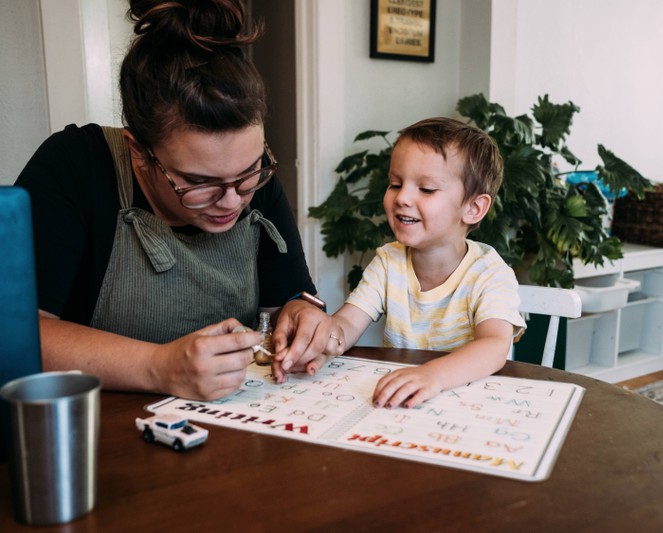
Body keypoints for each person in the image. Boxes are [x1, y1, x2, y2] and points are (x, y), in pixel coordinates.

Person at [15, 0, 343, 401]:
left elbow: (288, 300)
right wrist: (159, 366)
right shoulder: (75, 166)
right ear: (139, 151)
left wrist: (303, 315)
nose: (231, 201)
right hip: (99, 432)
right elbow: (18, 334)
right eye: (198, 182)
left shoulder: (251, 184)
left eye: (248, 172)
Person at [273, 117, 526, 409]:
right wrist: (321, 344)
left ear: (473, 208)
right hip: (404, 407)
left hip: (470, 408)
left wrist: (433, 375)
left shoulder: (490, 273)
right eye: (395, 183)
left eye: (426, 189)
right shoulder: (388, 262)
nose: (402, 197)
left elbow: (494, 346)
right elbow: (345, 326)